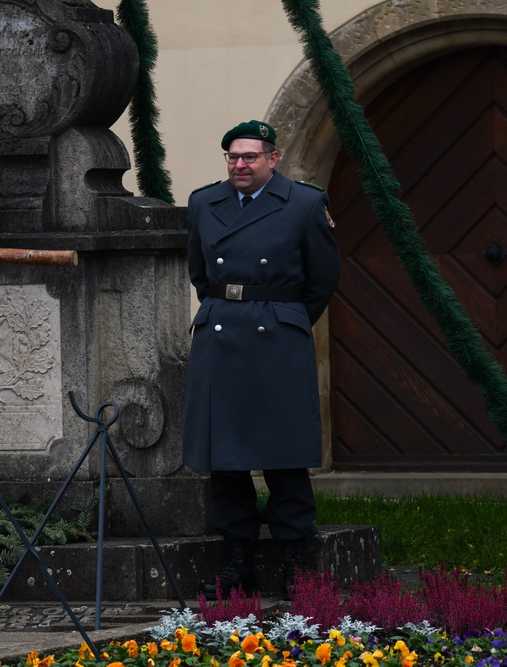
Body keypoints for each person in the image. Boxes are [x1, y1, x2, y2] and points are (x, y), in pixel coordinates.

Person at [182, 119, 340, 600]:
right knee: (224, 458)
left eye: (250, 156)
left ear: (273, 159)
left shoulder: (305, 203)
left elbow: (323, 278)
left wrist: (283, 318)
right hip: (220, 333)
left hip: (277, 338)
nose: (240, 164)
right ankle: (237, 562)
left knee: (283, 453)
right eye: (232, 156)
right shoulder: (204, 202)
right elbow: (198, 270)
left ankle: (295, 563)